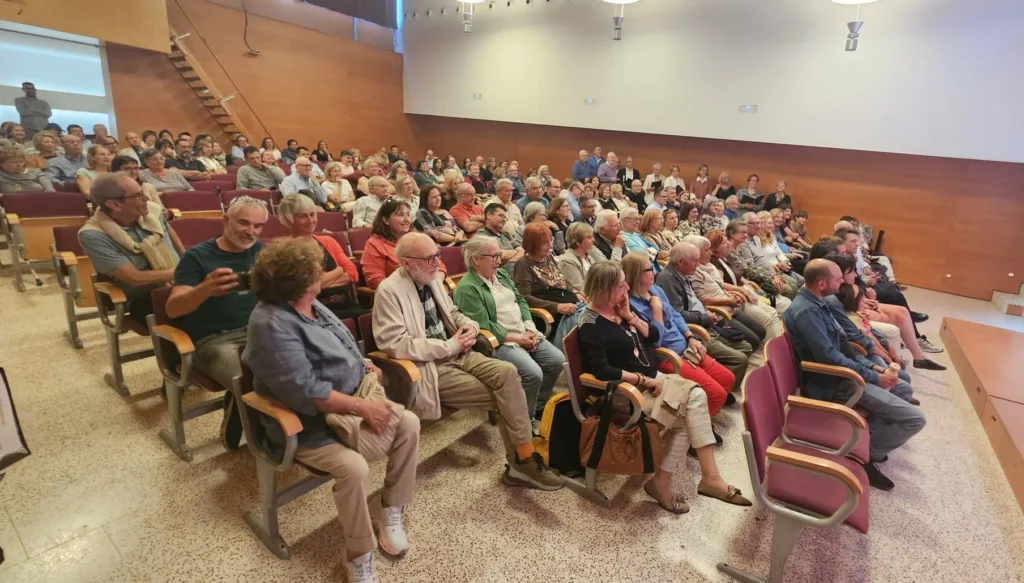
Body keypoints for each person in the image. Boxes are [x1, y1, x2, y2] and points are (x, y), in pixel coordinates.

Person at [242, 238, 417, 583]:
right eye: (316, 272)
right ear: (301, 283)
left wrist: (362, 364)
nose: (323, 275)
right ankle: (358, 553)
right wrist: (361, 406)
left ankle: (390, 507)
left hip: (346, 406)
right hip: (306, 421)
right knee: (353, 469)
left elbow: (340, 343)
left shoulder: (310, 303)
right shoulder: (270, 323)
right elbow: (304, 390)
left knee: (409, 423)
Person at [373, 232, 563, 489]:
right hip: (430, 366)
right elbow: (394, 344)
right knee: (509, 395)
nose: (436, 263)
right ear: (406, 262)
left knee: (508, 374)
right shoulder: (389, 291)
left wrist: (470, 326)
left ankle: (522, 459)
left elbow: (452, 312)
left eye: (437, 256)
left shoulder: (430, 280)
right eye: (429, 258)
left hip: (460, 352)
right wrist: (448, 345)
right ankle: (523, 460)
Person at [579, 261, 751, 513]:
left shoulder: (618, 310)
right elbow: (603, 371)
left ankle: (687, 481)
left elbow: (653, 337)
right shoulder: (590, 322)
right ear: (604, 289)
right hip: (627, 393)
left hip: (653, 381)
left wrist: (630, 316)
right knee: (692, 403)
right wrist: (642, 380)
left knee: (693, 402)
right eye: (620, 285)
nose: (627, 288)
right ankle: (701, 479)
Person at [783, 259, 926, 491]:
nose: (842, 283)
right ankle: (863, 457)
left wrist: (874, 369)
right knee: (915, 419)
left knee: (903, 388)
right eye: (838, 279)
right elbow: (830, 358)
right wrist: (872, 377)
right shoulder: (807, 311)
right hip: (834, 381)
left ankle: (869, 438)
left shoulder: (819, 302)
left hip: (845, 374)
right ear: (821, 283)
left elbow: (843, 347)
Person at [166, 196, 268, 449]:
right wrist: (203, 290)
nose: (250, 232)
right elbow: (172, 308)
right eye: (244, 223)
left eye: (258, 226)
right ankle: (263, 440)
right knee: (257, 381)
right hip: (214, 341)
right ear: (226, 220)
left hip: (259, 332)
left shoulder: (259, 250)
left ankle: (246, 409)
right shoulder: (197, 257)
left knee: (298, 366)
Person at [455, 236, 565, 419]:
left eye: (499, 255)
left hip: (523, 331)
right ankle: (523, 421)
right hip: (500, 341)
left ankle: (537, 405)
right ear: (476, 259)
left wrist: (529, 328)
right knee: (533, 374)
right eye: (494, 256)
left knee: (556, 360)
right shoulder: (467, 288)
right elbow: (483, 325)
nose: (499, 260)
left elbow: (520, 300)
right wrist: (518, 339)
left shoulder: (501, 275)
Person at [622, 252, 734, 427]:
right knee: (716, 393)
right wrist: (657, 311)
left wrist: (690, 337)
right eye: (649, 269)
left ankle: (701, 414)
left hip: (686, 348)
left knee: (728, 379)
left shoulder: (656, 290)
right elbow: (654, 343)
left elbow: (675, 315)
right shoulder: (630, 306)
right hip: (667, 357)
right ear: (636, 275)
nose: (654, 272)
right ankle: (692, 432)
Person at [78, 172, 181, 325]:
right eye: (138, 195)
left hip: (183, 282)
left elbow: (173, 239)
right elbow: (135, 278)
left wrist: (189, 262)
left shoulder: (152, 211)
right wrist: (185, 270)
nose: (147, 198)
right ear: (115, 204)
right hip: (145, 297)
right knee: (201, 308)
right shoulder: (93, 235)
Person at [657, 242, 754, 386]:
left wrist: (707, 313)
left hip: (706, 322)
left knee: (747, 346)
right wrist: (705, 317)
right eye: (695, 260)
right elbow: (678, 314)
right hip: (696, 330)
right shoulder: (667, 279)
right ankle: (722, 389)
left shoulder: (683, 274)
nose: (698, 264)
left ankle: (722, 385)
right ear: (681, 262)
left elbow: (694, 301)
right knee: (740, 358)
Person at [275, 194, 367, 321]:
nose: (310, 220)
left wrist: (319, 282)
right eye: (303, 216)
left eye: (312, 214)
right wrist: (339, 270)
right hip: (314, 311)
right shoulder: (286, 250)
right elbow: (303, 289)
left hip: (346, 304)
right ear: (289, 219)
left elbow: (352, 273)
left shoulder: (328, 241)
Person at [687, 234, 780, 344]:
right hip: (721, 311)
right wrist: (732, 296)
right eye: (707, 250)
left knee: (762, 328)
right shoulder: (695, 271)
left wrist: (730, 295)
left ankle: (777, 349)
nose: (710, 253)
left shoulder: (710, 265)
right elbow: (703, 298)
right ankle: (771, 354)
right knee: (759, 332)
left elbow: (719, 286)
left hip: (731, 303)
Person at [363, 199, 448, 289]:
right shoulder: (374, 244)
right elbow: (375, 280)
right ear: (385, 220)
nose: (407, 219)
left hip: (427, 291)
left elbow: (439, 266)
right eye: (400, 215)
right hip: (396, 297)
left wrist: (434, 285)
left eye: (408, 214)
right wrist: (411, 290)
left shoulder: (416, 239)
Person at [715, 221, 792, 312]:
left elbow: (752, 266)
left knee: (787, 300)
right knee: (786, 299)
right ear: (732, 234)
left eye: (746, 233)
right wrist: (770, 277)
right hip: (750, 285)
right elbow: (747, 271)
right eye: (743, 233)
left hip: (752, 284)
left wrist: (773, 275)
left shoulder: (739, 248)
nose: (746, 235)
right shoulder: (727, 254)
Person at [557, 222, 595, 294]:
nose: (593, 239)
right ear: (577, 241)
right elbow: (580, 288)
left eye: (592, 236)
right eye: (589, 237)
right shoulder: (567, 261)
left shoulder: (589, 257)